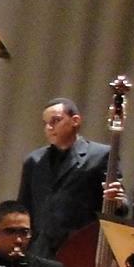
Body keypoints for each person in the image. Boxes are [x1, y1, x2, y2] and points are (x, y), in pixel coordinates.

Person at [16, 95, 112, 258]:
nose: (49, 127)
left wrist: (117, 201)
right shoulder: (34, 160)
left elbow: (118, 207)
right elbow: (24, 208)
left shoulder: (100, 155)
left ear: (75, 120)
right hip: (40, 251)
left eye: (55, 121)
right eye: (46, 123)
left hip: (80, 251)